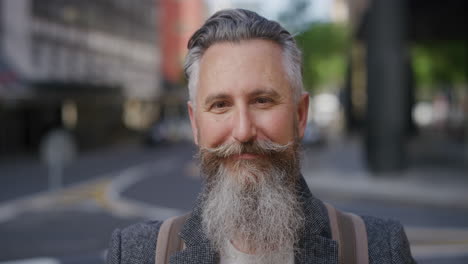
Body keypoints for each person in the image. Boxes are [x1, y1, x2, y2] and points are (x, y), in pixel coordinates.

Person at [107, 9, 415, 264]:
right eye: (220, 105)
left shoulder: (379, 250)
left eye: (262, 101)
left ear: (300, 115)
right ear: (195, 124)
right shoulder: (139, 254)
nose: (243, 131)